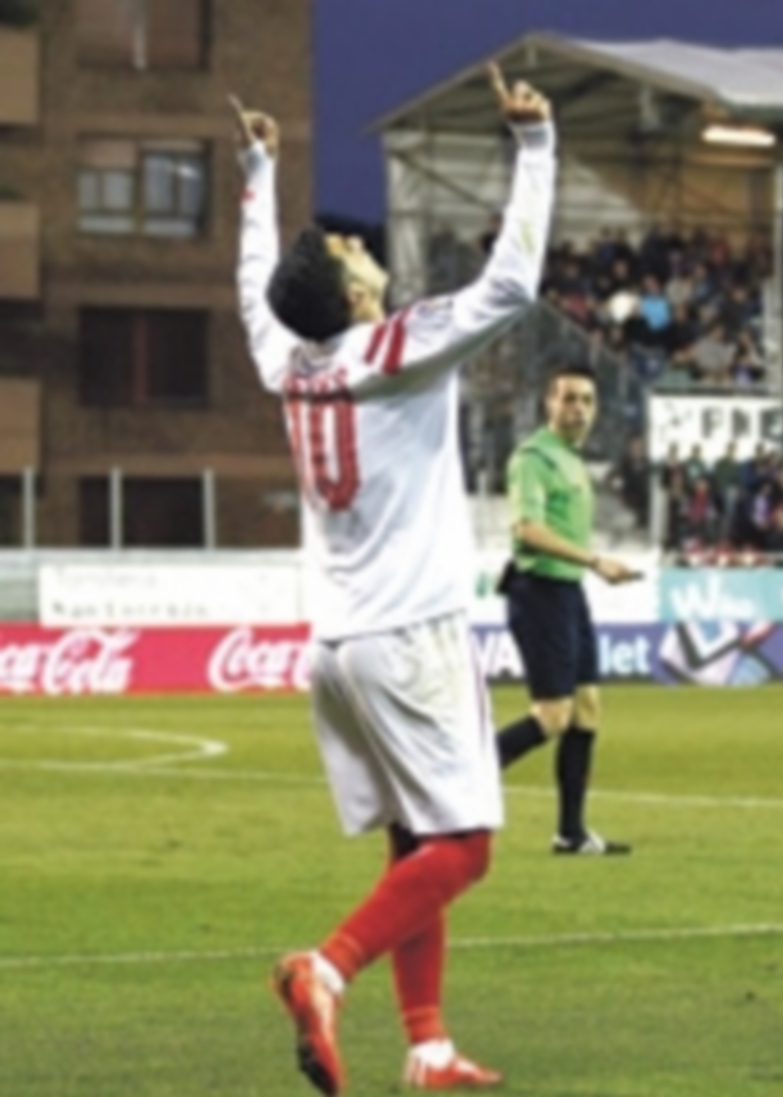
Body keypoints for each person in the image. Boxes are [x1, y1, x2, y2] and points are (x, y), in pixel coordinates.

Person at [232, 64, 556, 1096]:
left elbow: (252, 291)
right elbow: (509, 285)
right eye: (351, 250)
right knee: (464, 847)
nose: (363, 248)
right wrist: (535, 150)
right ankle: (322, 969)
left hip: (335, 645)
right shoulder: (393, 348)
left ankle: (425, 1049)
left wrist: (255, 171)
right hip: (412, 635)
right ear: (356, 294)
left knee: (414, 839)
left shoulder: (290, 361)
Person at [495, 364, 641, 854]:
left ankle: (571, 833)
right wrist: (596, 560)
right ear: (549, 404)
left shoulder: (573, 459)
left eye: (586, 401)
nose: (578, 409)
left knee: (586, 710)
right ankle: (459, 782)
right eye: (569, 399)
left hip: (567, 591)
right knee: (553, 716)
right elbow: (527, 530)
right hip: (539, 591)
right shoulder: (534, 457)